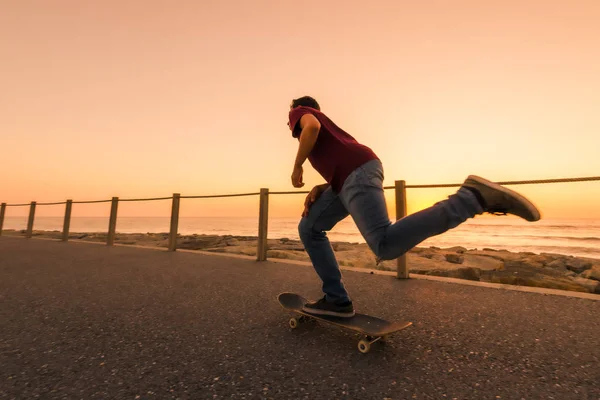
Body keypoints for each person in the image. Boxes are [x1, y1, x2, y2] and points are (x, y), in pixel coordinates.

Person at [287, 96, 541, 318]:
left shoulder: (302, 114)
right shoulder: (330, 134)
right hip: (347, 178)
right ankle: (336, 300)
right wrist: (324, 186)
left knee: (384, 244)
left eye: (290, 121)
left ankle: (470, 199)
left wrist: (297, 165)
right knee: (309, 228)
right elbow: (335, 155)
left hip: (355, 174)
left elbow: (311, 127)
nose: (289, 125)